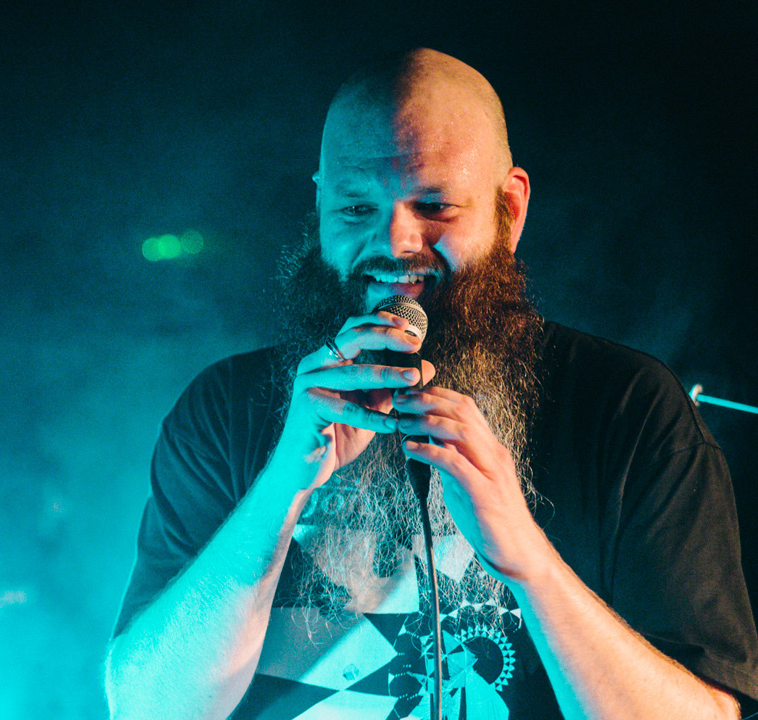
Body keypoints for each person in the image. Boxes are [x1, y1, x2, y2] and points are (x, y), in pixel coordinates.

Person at [103, 48, 758, 720]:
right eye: (356, 208)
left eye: (435, 205)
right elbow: (147, 708)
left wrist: (527, 557)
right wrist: (278, 492)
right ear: (319, 204)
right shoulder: (225, 408)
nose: (394, 242)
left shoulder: (627, 409)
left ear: (510, 209)